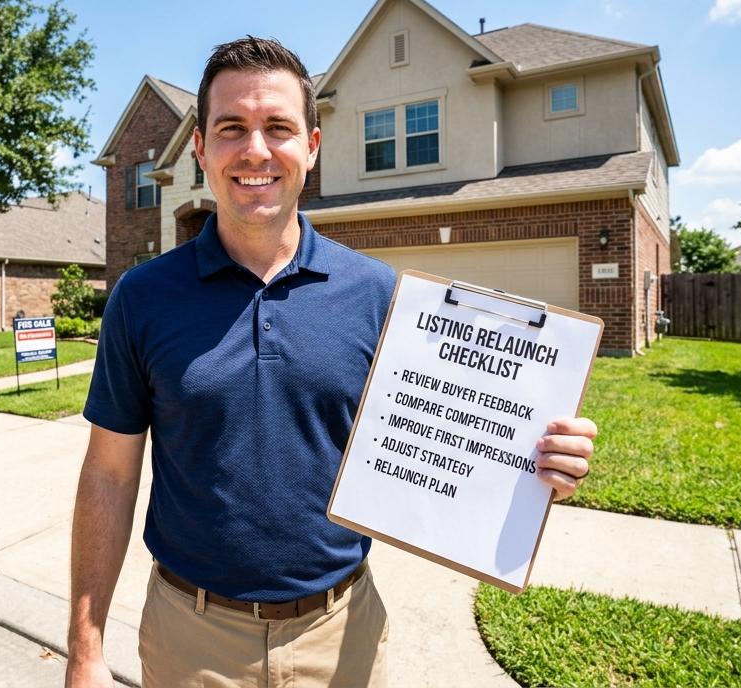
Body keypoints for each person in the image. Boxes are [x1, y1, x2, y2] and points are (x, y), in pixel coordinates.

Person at [66, 37, 597, 688]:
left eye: (278, 127)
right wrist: (85, 650)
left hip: (340, 635)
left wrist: (537, 465)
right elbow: (109, 475)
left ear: (312, 146)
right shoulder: (142, 297)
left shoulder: (379, 295)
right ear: (200, 149)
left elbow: (446, 435)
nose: (255, 150)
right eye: (231, 128)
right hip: (190, 639)